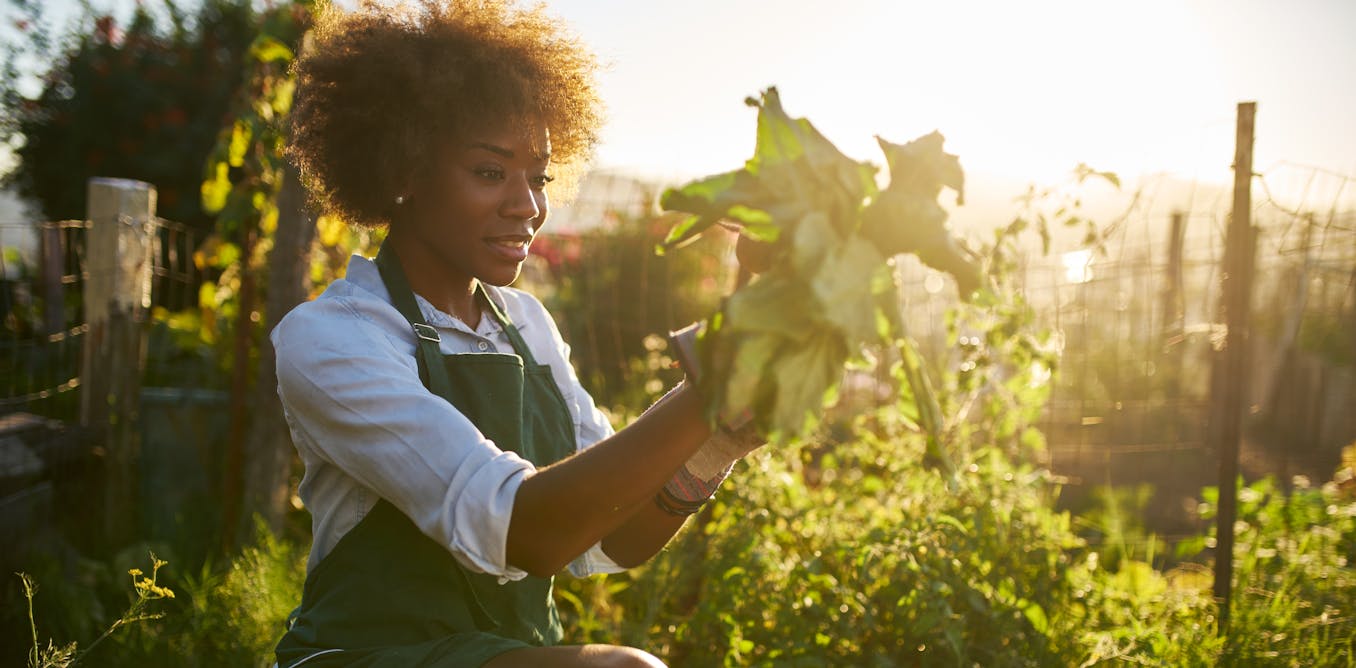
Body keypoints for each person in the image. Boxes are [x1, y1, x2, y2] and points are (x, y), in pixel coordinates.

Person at [272, 2, 760, 666]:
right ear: (403, 170)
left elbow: (608, 538)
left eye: (538, 178)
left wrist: (719, 440)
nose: (527, 206)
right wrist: (708, 384)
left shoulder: (527, 325)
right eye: (490, 172)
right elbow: (523, 532)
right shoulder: (334, 338)